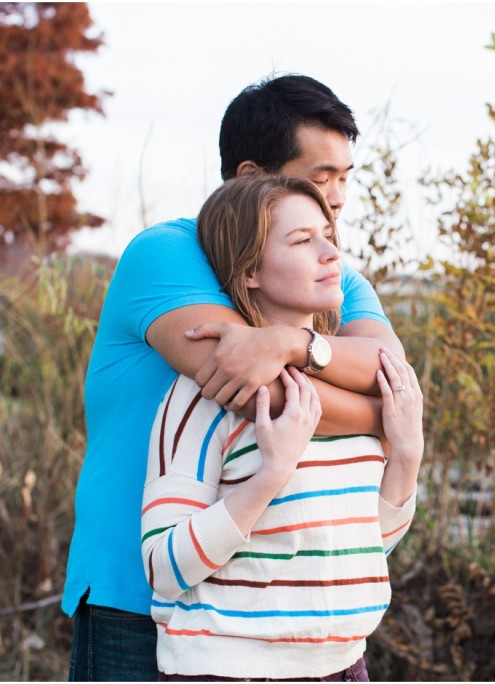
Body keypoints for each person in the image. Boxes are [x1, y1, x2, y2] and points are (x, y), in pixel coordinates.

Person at [65, 75, 404, 681]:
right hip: (138, 599)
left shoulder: (332, 275)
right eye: (320, 178)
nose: (337, 199)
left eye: (345, 178)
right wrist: (391, 416)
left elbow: (392, 372)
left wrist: (292, 340)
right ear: (253, 177)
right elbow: (262, 393)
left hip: (275, 613)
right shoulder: (169, 253)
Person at [142, 174, 421, 681]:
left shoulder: (356, 398)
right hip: (229, 669)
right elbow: (164, 567)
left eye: (329, 237)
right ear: (250, 270)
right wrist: (271, 475)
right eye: (302, 240)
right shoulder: (208, 396)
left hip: (343, 666)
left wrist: (406, 457)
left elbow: (365, 546)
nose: (331, 253)